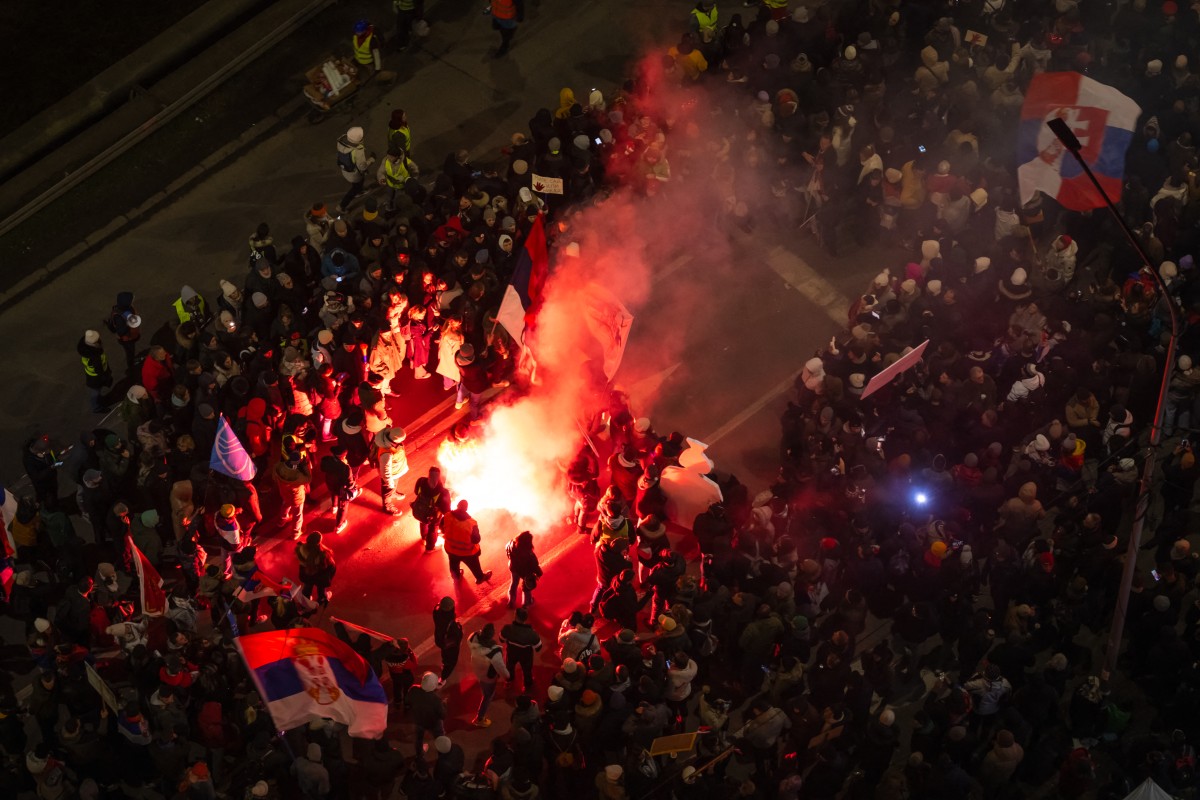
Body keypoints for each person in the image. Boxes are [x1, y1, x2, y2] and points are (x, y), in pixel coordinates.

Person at [467, 622, 510, 727]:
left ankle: (489, 694)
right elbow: (501, 668)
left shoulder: (472, 638)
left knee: (484, 685)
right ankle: (480, 718)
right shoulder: (494, 652)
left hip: (478, 669)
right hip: (488, 676)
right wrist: (507, 676)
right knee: (487, 695)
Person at [441, 499, 492, 583]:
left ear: (457, 506)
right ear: (466, 509)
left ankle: (456, 577)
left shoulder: (447, 516)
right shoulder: (472, 523)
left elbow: (441, 528)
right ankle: (480, 577)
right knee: (475, 565)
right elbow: (476, 540)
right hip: (467, 552)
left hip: (451, 548)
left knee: (453, 564)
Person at [500, 607, 542, 694]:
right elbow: (538, 647)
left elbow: (501, 639)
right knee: (527, 670)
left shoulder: (507, 628)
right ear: (526, 618)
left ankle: (509, 680)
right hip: (526, 655)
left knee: (510, 666)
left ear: (515, 616)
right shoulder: (532, 633)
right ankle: (527, 684)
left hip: (511, 652)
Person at [335, 126, 375, 214]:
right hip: (355, 175)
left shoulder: (341, 142)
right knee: (355, 188)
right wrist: (372, 159)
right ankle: (341, 206)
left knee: (357, 185)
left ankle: (359, 190)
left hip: (345, 170)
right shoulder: (357, 150)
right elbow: (362, 167)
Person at [412, 466, 451, 551]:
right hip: (433, 516)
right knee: (433, 528)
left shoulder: (421, 481)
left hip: (419, 510)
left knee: (423, 522)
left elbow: (416, 492)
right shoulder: (443, 492)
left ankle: (423, 538)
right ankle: (430, 548)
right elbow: (446, 510)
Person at [319, 445, 357, 533]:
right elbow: (349, 484)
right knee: (343, 506)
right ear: (342, 456)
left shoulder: (327, 460)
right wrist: (354, 482)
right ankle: (339, 525)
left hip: (330, 484)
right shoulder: (345, 468)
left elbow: (322, 468)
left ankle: (334, 507)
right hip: (341, 489)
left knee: (334, 493)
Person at [373, 426, 409, 515]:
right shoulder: (386, 453)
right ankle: (387, 506)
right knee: (387, 490)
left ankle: (392, 493)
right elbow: (385, 471)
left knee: (393, 486)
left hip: (396, 472)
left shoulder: (391, 440)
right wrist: (389, 483)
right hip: (391, 475)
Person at [295, 532, 336, 606]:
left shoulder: (301, 548)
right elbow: (326, 566)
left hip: (306, 574)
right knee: (321, 588)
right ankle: (322, 598)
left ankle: (305, 601)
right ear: (318, 542)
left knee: (307, 587)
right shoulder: (321, 554)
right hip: (319, 575)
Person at [77, 330, 113, 413]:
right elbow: (100, 371)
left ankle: (98, 401)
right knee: (95, 392)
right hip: (95, 378)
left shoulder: (84, 347)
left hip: (91, 376)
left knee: (96, 392)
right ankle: (96, 408)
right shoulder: (95, 357)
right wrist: (106, 378)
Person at [505, 530, 543, 608]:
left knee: (514, 583)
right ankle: (527, 602)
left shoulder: (512, 543)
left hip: (514, 567)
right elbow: (534, 565)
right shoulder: (529, 553)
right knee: (526, 586)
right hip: (525, 571)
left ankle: (511, 601)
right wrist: (539, 573)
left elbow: (507, 550)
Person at [432, 596, 463, 685]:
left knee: (444, 654)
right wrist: (459, 628)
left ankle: (444, 662)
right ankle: (443, 678)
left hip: (440, 640)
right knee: (451, 661)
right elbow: (457, 637)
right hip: (449, 645)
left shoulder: (436, 613)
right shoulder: (451, 624)